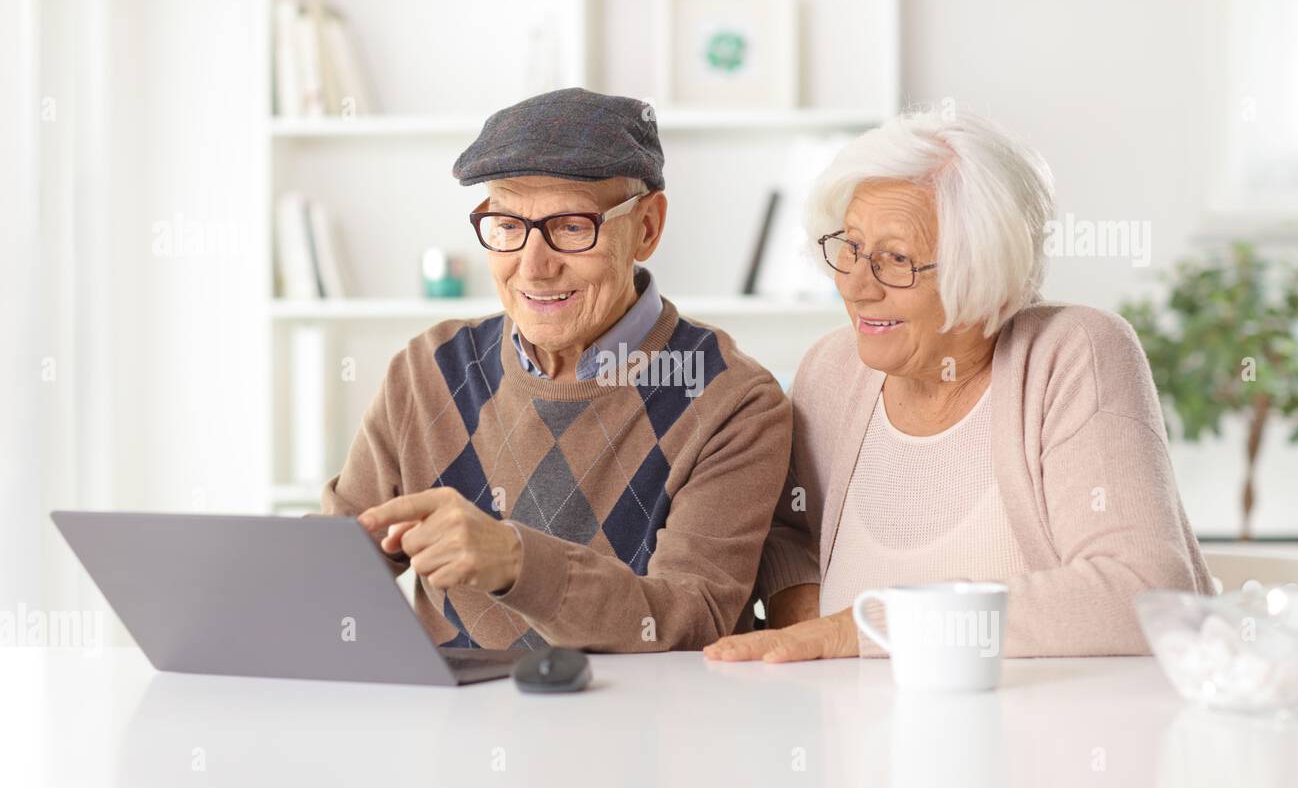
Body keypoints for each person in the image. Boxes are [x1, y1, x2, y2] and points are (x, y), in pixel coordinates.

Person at [704, 107, 1211, 663]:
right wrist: (800, 615)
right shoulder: (831, 368)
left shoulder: (1075, 353)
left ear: (988, 275)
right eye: (849, 246)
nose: (853, 285)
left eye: (895, 259)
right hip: (858, 734)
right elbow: (790, 536)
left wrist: (865, 629)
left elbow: (1143, 591)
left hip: (1051, 735)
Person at [322, 87, 792, 652]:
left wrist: (516, 562)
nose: (534, 267)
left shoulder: (732, 400)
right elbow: (338, 565)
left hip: (645, 731)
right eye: (507, 225)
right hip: (453, 729)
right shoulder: (429, 370)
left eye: (571, 227)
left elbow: (690, 618)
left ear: (647, 227)